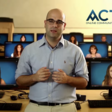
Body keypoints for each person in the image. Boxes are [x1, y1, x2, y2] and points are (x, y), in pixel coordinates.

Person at [15, 8, 89, 112]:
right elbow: (19, 80)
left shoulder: (76, 51)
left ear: (64, 26)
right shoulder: (29, 50)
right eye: (51, 21)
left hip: (66, 107)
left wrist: (68, 79)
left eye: (59, 22)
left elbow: (84, 82)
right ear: (45, 23)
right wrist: (34, 77)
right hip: (35, 107)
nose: (55, 25)